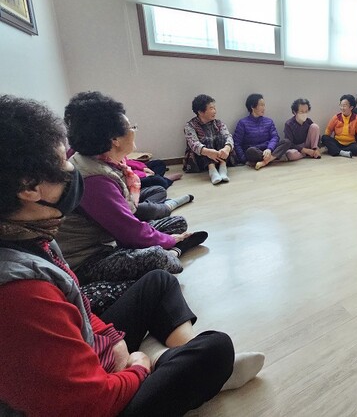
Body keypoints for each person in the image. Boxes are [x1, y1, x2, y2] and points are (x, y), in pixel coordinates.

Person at [0, 95, 264, 417]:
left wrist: (111, 338)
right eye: (60, 163)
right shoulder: (20, 293)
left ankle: (186, 359)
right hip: (96, 397)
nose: (70, 168)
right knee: (217, 348)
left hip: (90, 348)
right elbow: (90, 405)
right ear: (28, 187)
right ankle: (185, 366)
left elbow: (76, 302)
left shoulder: (33, 233)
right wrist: (138, 367)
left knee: (159, 282)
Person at [57, 92, 207, 285]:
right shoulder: (94, 180)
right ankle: (174, 252)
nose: (134, 131)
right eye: (130, 127)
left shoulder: (94, 157)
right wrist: (171, 241)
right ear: (115, 139)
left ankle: (166, 248)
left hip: (111, 237)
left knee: (178, 223)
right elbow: (130, 231)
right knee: (158, 259)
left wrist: (167, 237)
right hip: (89, 258)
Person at [184, 94, 235, 185]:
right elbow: (194, 143)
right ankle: (212, 170)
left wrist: (226, 148)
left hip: (220, 156)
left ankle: (223, 168)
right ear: (200, 112)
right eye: (211, 108)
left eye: (214, 108)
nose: (215, 111)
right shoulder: (190, 125)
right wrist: (208, 152)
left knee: (221, 138)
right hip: (200, 159)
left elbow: (228, 136)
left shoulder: (219, 123)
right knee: (206, 140)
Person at [234, 93, 293, 170]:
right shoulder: (242, 123)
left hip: (269, 150)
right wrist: (244, 160)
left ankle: (265, 162)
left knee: (286, 142)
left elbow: (275, 137)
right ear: (252, 106)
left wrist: (269, 149)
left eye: (264, 105)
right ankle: (273, 158)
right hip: (255, 152)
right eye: (261, 105)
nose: (264, 108)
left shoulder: (269, 121)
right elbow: (237, 143)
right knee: (250, 150)